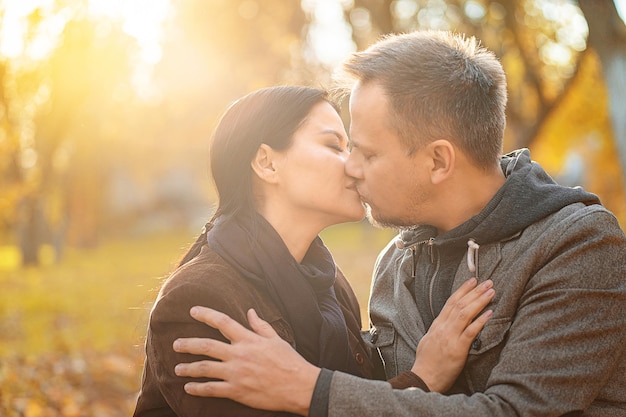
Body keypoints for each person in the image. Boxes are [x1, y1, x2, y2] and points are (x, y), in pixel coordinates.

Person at [172, 30, 626, 416]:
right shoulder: (397, 263)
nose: (351, 168)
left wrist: (311, 389)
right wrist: (422, 376)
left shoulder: (578, 245)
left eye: (366, 153)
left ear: (438, 161)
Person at [132, 85, 496, 416]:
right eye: (333, 146)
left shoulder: (328, 281)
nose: (354, 165)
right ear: (267, 162)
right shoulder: (200, 300)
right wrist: (423, 378)